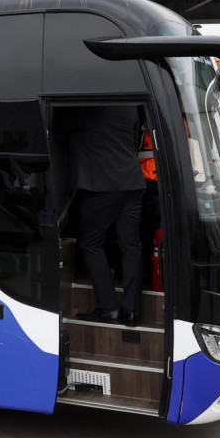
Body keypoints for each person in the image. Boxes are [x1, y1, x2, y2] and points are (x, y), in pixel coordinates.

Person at [67, 106, 145, 327]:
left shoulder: (88, 108)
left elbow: (59, 127)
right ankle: (131, 311)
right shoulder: (129, 108)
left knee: (90, 243)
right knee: (130, 246)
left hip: (102, 183)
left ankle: (108, 308)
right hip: (132, 181)